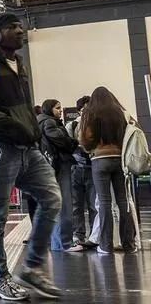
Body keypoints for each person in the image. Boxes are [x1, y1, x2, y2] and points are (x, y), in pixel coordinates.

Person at [0, 12, 62, 301]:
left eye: (20, 26)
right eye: (12, 27)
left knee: (52, 198)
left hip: (27, 149)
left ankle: (31, 268)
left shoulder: (20, 64)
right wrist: (8, 123)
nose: (20, 30)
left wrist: (30, 130)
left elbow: (22, 106)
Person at [79, 87, 137, 255]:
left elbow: (84, 139)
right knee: (123, 201)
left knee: (104, 203)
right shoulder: (121, 113)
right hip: (120, 160)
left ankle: (105, 245)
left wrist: (93, 147)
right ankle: (129, 244)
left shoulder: (90, 113)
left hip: (99, 161)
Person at [37, 99, 81, 252]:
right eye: (57, 108)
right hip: (60, 165)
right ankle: (65, 243)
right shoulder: (50, 122)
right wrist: (73, 143)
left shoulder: (40, 122)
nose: (60, 111)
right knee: (65, 204)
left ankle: (58, 242)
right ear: (49, 109)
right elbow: (60, 140)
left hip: (47, 166)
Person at [67, 96, 96, 248]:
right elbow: (67, 144)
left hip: (93, 168)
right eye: (84, 109)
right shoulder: (72, 125)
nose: (86, 112)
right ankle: (79, 236)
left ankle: (94, 235)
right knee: (76, 205)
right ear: (78, 110)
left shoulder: (97, 125)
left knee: (93, 205)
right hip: (76, 168)